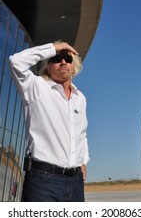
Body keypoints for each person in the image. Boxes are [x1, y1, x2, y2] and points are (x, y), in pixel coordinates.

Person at [9, 41, 89, 202]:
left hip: (75, 182)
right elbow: (16, 61)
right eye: (56, 59)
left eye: (67, 59)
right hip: (43, 181)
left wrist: (84, 160)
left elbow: (81, 133)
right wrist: (54, 47)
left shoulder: (80, 98)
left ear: (74, 66)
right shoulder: (36, 87)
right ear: (47, 66)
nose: (63, 62)